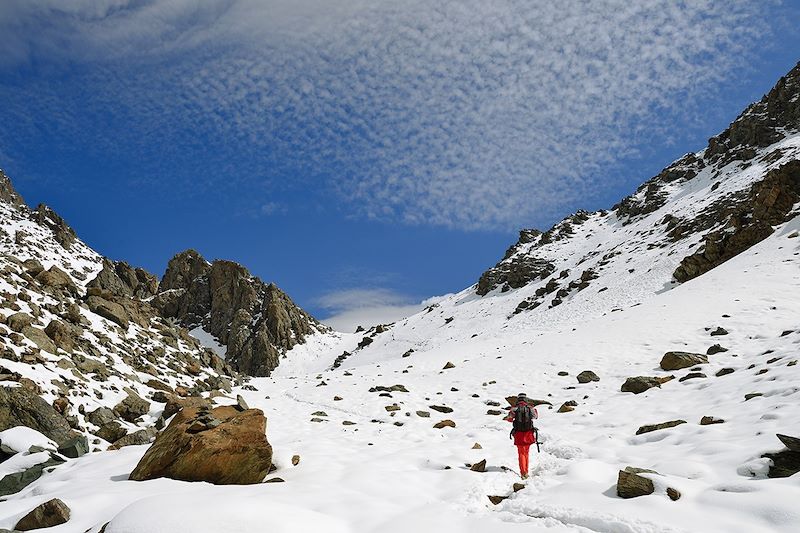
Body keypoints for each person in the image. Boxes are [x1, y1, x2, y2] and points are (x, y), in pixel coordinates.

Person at [505, 392, 538, 479]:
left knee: (521, 453)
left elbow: (509, 419)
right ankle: (526, 471)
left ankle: (523, 473)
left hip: (518, 434)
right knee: (526, 453)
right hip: (528, 433)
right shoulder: (530, 408)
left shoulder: (514, 409)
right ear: (525, 399)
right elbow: (535, 417)